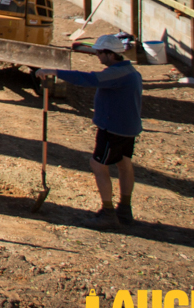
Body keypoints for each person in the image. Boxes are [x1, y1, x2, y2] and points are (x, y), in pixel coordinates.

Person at [51, 34, 143, 227]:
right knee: (124, 163)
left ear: (110, 54)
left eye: (99, 53)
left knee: (98, 164)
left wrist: (56, 72)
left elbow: (89, 79)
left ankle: (108, 213)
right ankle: (125, 210)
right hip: (129, 127)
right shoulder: (130, 71)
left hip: (114, 128)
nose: (97, 57)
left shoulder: (114, 74)